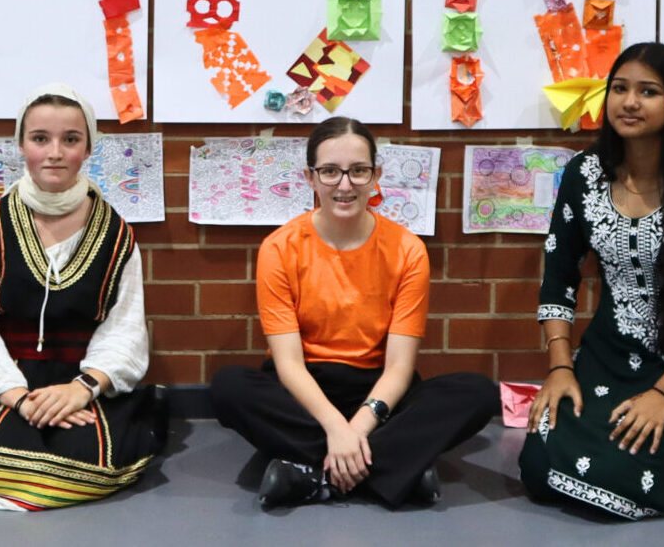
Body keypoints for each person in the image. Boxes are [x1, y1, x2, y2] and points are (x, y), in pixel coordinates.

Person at [210, 116, 498, 510]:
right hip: (304, 392)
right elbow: (288, 364)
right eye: (330, 171)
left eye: (358, 171)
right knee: (228, 387)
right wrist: (334, 427)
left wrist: (357, 427)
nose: (344, 185)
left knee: (478, 393)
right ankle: (393, 470)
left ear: (375, 176)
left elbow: (399, 367)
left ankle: (313, 475)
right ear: (310, 178)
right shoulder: (279, 248)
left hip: (378, 393)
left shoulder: (408, 250)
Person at [520, 42, 664, 518]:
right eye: (619, 89)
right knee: (538, 467)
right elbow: (559, 277)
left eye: (648, 92)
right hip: (605, 359)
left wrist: (663, 395)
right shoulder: (584, 175)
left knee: (615, 481)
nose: (629, 102)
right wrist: (560, 369)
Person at [0, 84, 164, 511]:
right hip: (6, 379)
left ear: (88, 148)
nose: (55, 152)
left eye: (70, 139)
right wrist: (19, 398)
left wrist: (82, 389)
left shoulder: (117, 235)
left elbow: (126, 330)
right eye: (40, 138)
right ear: (21, 145)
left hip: (81, 383)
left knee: (94, 461)